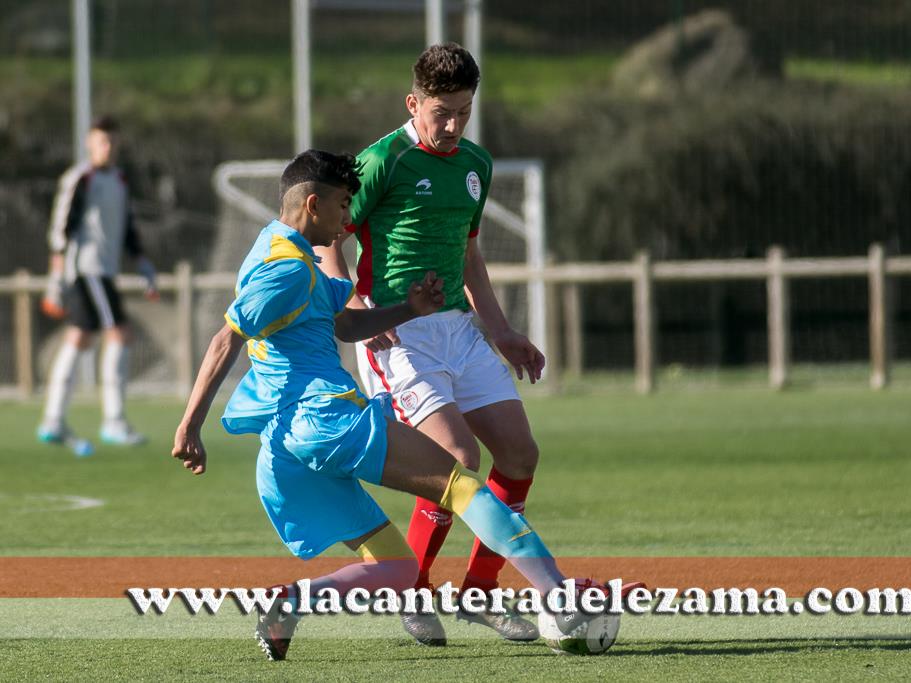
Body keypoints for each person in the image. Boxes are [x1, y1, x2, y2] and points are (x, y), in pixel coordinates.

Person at [171, 150, 593, 661]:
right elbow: (224, 340)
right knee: (462, 485)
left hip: (288, 444)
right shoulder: (286, 269)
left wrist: (408, 309)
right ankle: (561, 596)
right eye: (343, 205)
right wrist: (190, 426)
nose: (349, 219)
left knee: (396, 569)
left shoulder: (278, 249)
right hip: (327, 420)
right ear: (313, 203)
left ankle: (291, 601)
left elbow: (345, 325)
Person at [316, 42, 545, 644]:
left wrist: (501, 331)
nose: (452, 125)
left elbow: (470, 255)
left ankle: (478, 591)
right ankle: (411, 592)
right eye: (441, 112)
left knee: (520, 455)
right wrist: (356, 303)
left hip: (458, 332)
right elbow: (327, 238)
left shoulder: (476, 164)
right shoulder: (379, 162)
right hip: (398, 336)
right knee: (458, 461)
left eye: (464, 112)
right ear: (413, 103)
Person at [38, 115, 158, 454]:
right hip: (86, 270)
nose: (107, 147)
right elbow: (62, 226)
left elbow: (127, 227)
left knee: (80, 337)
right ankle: (114, 421)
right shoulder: (81, 178)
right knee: (121, 333)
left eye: (112, 141)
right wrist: (55, 278)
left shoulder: (119, 180)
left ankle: (53, 419)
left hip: (103, 271)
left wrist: (142, 261)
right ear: (90, 143)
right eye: (101, 141)